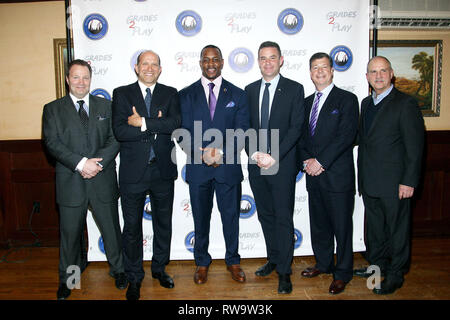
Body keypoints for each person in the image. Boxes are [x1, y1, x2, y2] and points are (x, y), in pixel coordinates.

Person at [42, 59, 127, 300]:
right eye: (76, 77)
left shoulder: (107, 106)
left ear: (91, 79)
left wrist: (95, 164)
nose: (81, 82)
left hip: (102, 179)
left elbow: (116, 138)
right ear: (68, 79)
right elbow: (52, 143)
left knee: (112, 230)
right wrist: (81, 164)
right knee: (69, 237)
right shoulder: (53, 109)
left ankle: (119, 271)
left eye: (85, 77)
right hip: (71, 182)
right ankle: (69, 280)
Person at [111, 50, 181, 300]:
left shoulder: (170, 93)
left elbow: (174, 124)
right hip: (133, 174)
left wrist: (142, 123)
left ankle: (159, 269)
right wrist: (155, 125)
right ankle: (134, 277)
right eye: (145, 64)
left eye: (154, 64)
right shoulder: (121, 93)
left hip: (162, 170)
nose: (149, 68)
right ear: (136, 67)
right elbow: (119, 130)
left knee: (163, 224)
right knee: (131, 228)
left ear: (160, 69)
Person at [179, 45, 250, 285]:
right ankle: (201, 262)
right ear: (200, 62)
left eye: (215, 59)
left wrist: (220, 152)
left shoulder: (238, 95)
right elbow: (182, 132)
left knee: (230, 217)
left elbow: (241, 131)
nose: (211, 63)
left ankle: (233, 260)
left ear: (222, 62)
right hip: (199, 169)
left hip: (227, 168)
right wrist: (198, 154)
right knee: (200, 217)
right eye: (206, 59)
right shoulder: (185, 94)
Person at [355, 56, 424, 295]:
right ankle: (376, 268)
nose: (378, 76)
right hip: (370, 181)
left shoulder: (405, 104)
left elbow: (415, 147)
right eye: (373, 72)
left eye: (383, 71)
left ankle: (395, 275)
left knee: (397, 231)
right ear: (367, 77)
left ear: (392, 73)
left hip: (396, 184)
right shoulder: (366, 103)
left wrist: (408, 181)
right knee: (374, 231)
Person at [244, 41, 304, 294]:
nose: (267, 62)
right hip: (257, 164)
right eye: (262, 58)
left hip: (281, 165)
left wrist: (274, 156)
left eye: (272, 57)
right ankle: (273, 258)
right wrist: (255, 153)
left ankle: (285, 272)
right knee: (266, 215)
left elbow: (296, 128)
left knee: (282, 217)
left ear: (281, 60)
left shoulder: (294, 89)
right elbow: (245, 127)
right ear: (258, 62)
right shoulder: (249, 90)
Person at [298, 52, 359, 294]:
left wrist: (321, 161)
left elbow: (346, 136)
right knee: (320, 225)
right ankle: (323, 264)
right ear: (310, 72)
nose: (320, 71)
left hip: (337, 176)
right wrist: (306, 161)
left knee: (342, 226)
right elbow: (300, 137)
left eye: (324, 66)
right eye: (315, 67)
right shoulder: (305, 103)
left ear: (332, 70)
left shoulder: (347, 99)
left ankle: (343, 272)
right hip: (313, 176)